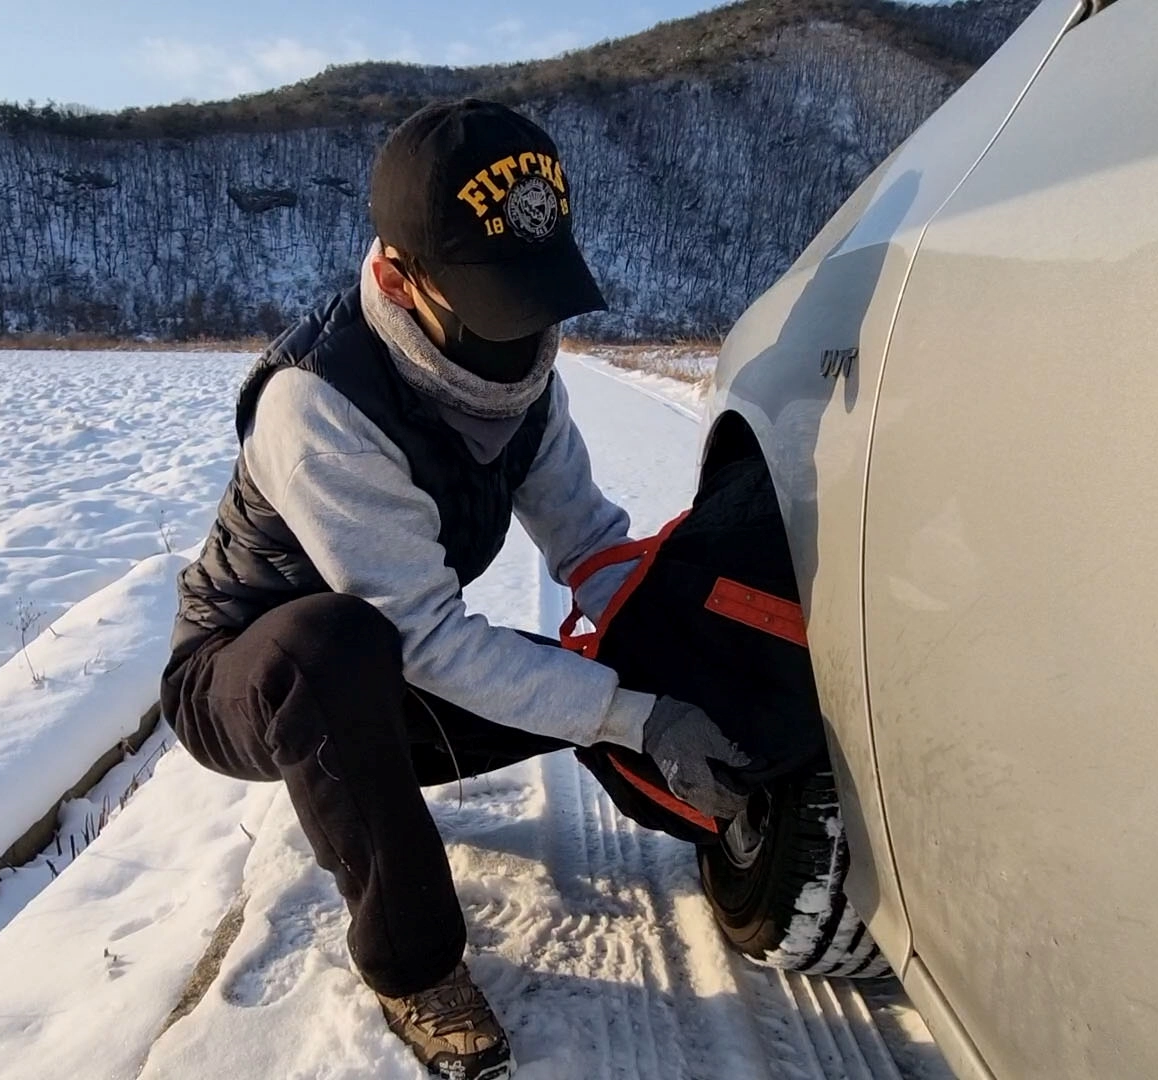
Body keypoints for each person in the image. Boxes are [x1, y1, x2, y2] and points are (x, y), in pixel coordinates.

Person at [160, 99, 752, 1080]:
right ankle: (410, 963)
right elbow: (425, 638)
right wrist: (630, 716)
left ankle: (714, 796)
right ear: (397, 273)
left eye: (531, 296)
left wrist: (683, 667)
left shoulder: (525, 381)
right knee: (338, 648)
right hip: (253, 679)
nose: (516, 338)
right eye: (488, 302)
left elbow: (591, 541)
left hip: (388, 666)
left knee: (600, 680)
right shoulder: (319, 402)